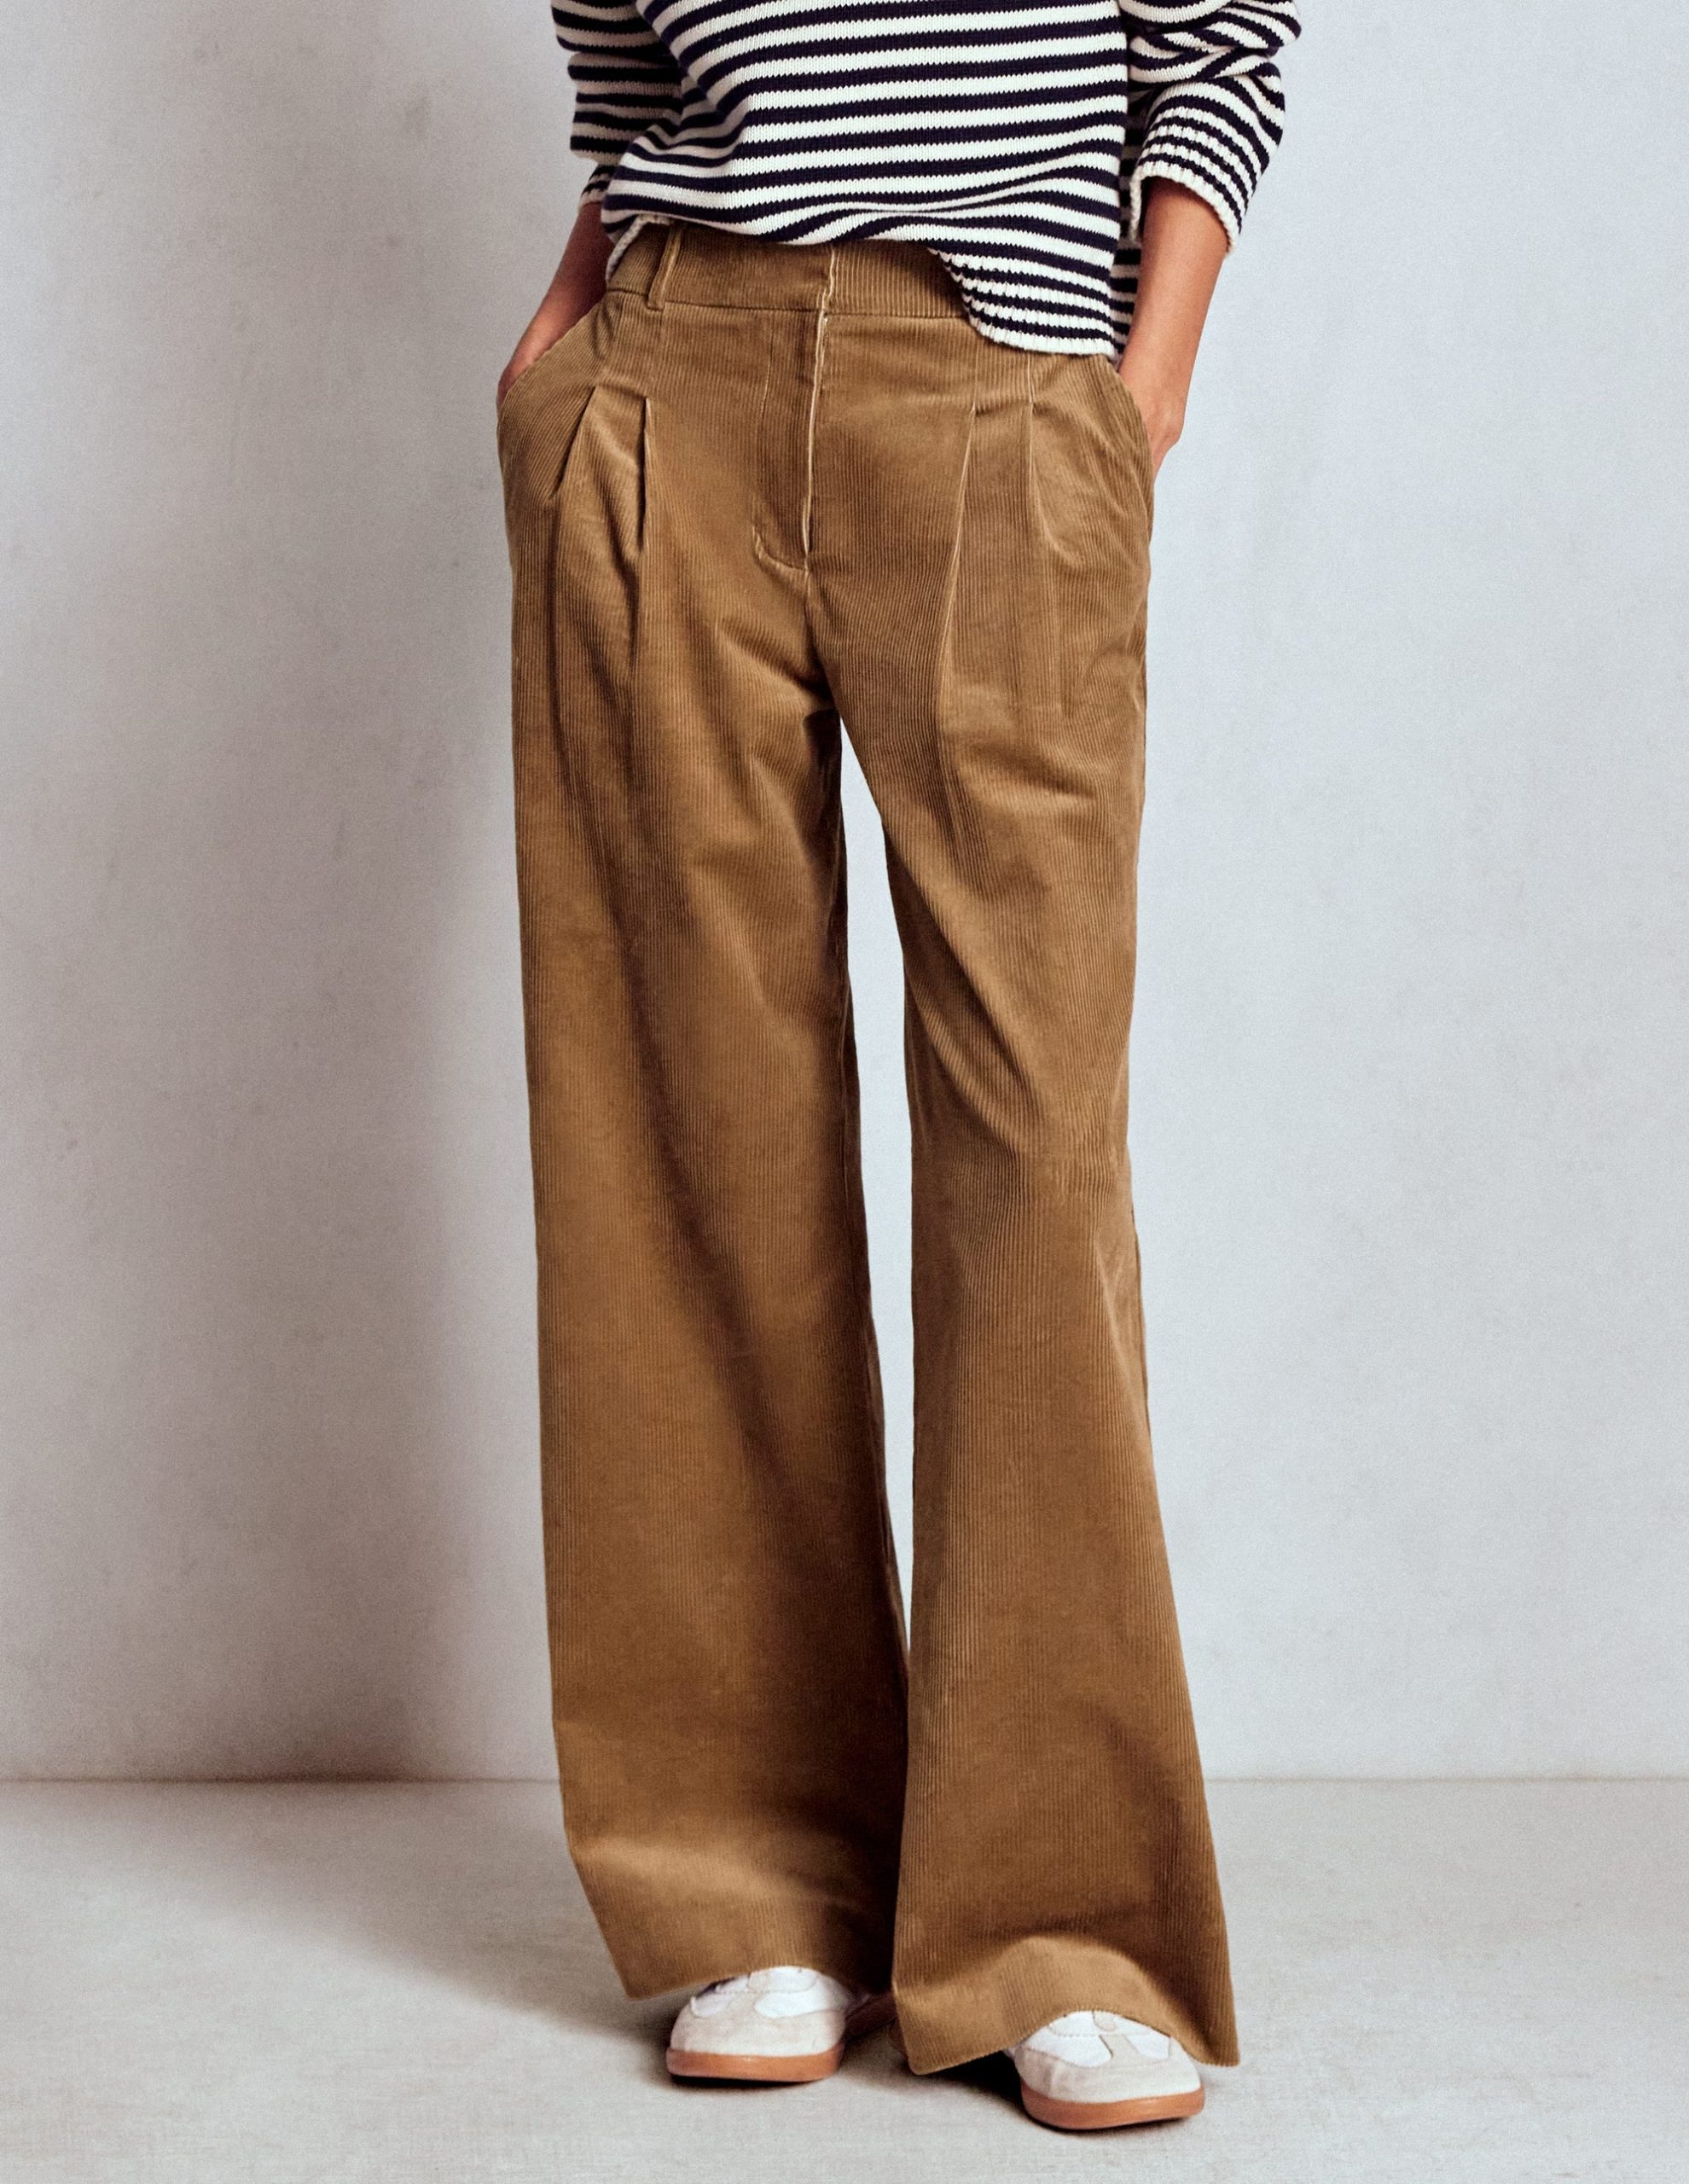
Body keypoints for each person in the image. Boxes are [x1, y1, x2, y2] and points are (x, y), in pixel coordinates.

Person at [495, 0, 1299, 2135]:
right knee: (685, 1139)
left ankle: (1065, 1917)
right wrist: (570, 336)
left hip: (998, 374)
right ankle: (753, 1877)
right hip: (670, 373)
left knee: (1035, 1155)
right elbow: (626, 61)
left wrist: (1137, 390)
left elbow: (1220, 38)